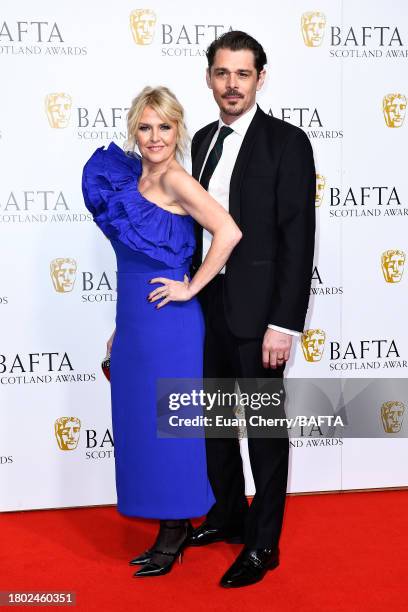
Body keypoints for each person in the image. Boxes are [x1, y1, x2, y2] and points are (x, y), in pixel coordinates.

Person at [81, 86, 241, 578]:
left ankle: (174, 532)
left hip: (170, 328)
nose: (154, 137)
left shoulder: (175, 180)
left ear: (178, 130)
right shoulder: (130, 178)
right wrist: (118, 328)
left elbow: (228, 232)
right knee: (139, 427)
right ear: (135, 129)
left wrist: (190, 287)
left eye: (164, 127)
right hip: (133, 324)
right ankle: (165, 525)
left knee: (170, 431)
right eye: (146, 127)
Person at [188, 31, 316, 588]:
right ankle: (229, 516)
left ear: (260, 78)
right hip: (206, 309)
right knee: (216, 423)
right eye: (222, 73)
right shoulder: (197, 141)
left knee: (263, 432)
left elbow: (298, 238)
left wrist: (284, 323)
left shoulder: (287, 142)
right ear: (210, 78)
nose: (231, 84)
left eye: (242, 73)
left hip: (260, 315)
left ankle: (265, 544)